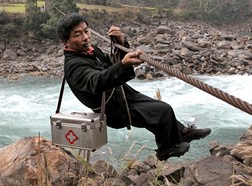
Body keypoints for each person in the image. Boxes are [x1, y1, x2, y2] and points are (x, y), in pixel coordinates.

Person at [56, 13, 211, 161]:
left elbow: (110, 64)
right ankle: (166, 149)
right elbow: (96, 81)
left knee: (164, 107)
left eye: (86, 31)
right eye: (77, 34)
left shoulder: (90, 51)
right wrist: (124, 64)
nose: (85, 37)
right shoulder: (74, 65)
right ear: (66, 41)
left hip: (123, 96)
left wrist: (121, 42)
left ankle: (182, 133)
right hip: (114, 109)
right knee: (161, 111)